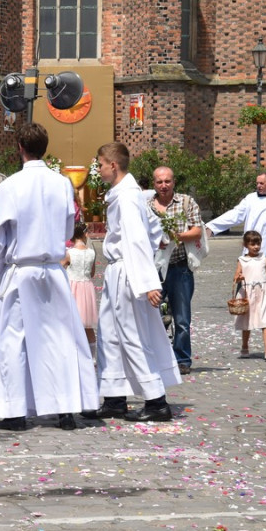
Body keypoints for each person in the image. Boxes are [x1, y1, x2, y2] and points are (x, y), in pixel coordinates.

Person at [0, 124, 98, 431]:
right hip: (52, 269)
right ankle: (65, 410)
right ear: (45, 147)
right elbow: (65, 230)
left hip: (22, 271)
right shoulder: (61, 184)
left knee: (14, 341)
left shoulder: (10, 187)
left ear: (20, 145)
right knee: (60, 339)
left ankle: (16, 412)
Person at [83, 142, 180, 423]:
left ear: (113, 165)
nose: (98, 169)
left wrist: (149, 283)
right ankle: (114, 397)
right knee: (111, 335)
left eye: (100, 164)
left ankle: (156, 401)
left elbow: (137, 238)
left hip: (128, 271)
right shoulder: (127, 194)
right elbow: (154, 228)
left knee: (132, 334)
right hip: (118, 271)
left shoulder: (127, 197)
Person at [149, 166, 203, 375]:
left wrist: (177, 237)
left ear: (174, 182)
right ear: (154, 183)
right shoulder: (146, 206)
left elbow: (197, 231)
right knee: (152, 316)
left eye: (167, 181)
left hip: (179, 267)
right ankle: (156, 357)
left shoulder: (186, 202)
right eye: (160, 182)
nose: (164, 185)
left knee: (181, 318)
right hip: (154, 269)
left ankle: (182, 359)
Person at [206, 171, 266, 282]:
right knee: (246, 286)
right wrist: (211, 227)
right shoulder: (250, 199)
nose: (258, 186)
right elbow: (235, 215)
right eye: (257, 183)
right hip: (250, 252)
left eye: (261, 183)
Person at [234, 230, 266, 362]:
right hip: (248, 293)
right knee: (247, 322)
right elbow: (236, 278)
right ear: (246, 245)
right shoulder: (242, 260)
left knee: (265, 321)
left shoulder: (265, 260)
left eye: (258, 243)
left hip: (264, 292)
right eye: (253, 244)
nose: (256, 246)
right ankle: (245, 346)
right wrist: (239, 277)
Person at [61, 222, 98, 353]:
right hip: (87, 290)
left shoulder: (69, 253)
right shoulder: (92, 253)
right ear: (84, 234)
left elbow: (59, 271)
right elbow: (92, 273)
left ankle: (73, 352)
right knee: (88, 327)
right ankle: (92, 356)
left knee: (71, 324)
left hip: (73, 289)